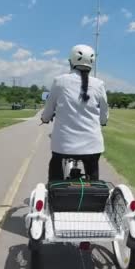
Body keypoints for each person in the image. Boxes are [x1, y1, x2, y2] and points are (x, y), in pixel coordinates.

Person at [41, 44, 109, 181]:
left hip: (64, 145)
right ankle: (93, 195)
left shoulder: (59, 81)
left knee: (55, 165)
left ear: (70, 62)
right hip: (92, 145)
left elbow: (49, 108)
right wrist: (103, 121)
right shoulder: (99, 84)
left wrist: (45, 118)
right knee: (93, 170)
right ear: (91, 63)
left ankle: (56, 197)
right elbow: (104, 111)